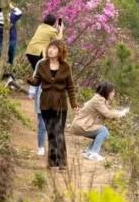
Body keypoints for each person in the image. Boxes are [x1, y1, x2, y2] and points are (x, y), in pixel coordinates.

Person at [27, 39, 76, 169]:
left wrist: (74, 103)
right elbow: (37, 81)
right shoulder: (42, 65)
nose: (50, 50)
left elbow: (70, 86)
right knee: (51, 132)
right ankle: (52, 162)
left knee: (59, 131)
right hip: (45, 104)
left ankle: (62, 162)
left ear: (60, 51)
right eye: (50, 48)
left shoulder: (65, 66)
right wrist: (30, 81)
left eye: (54, 48)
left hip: (61, 104)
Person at [69, 82, 129, 161]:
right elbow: (107, 114)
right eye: (113, 92)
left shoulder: (101, 99)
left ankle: (88, 152)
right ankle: (94, 153)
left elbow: (109, 111)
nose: (114, 94)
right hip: (81, 125)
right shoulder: (98, 100)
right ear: (107, 92)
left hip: (82, 125)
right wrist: (121, 114)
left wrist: (120, 112)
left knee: (105, 134)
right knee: (103, 130)